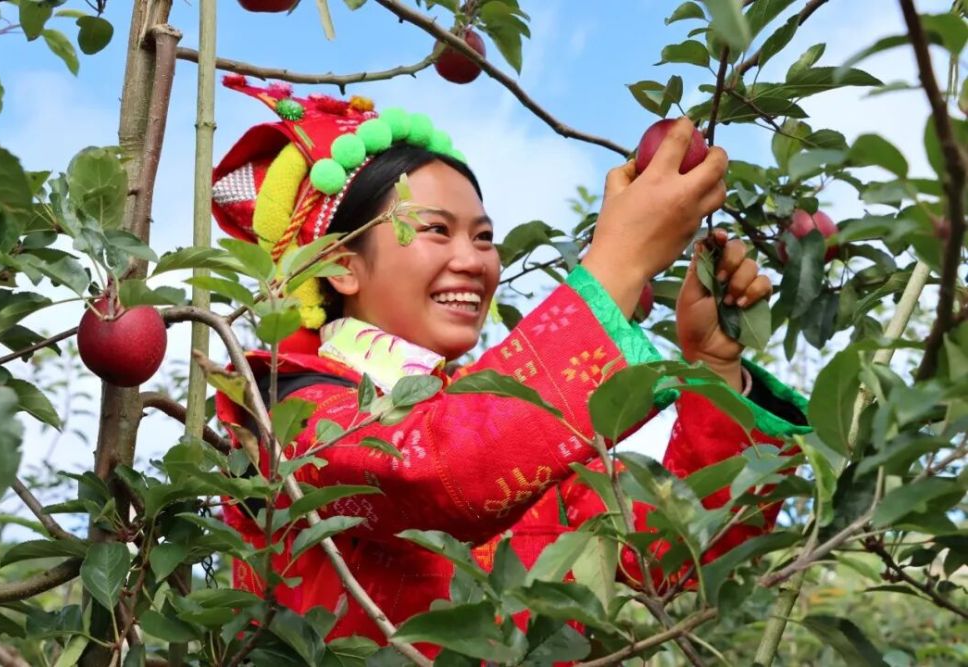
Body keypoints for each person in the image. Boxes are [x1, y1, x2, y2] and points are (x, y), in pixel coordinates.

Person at [212, 76, 809, 652]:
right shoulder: (288, 411)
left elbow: (669, 553)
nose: (474, 261)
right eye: (436, 230)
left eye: (483, 237)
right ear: (342, 266)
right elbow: (440, 473)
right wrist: (619, 262)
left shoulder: (514, 433)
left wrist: (714, 370)